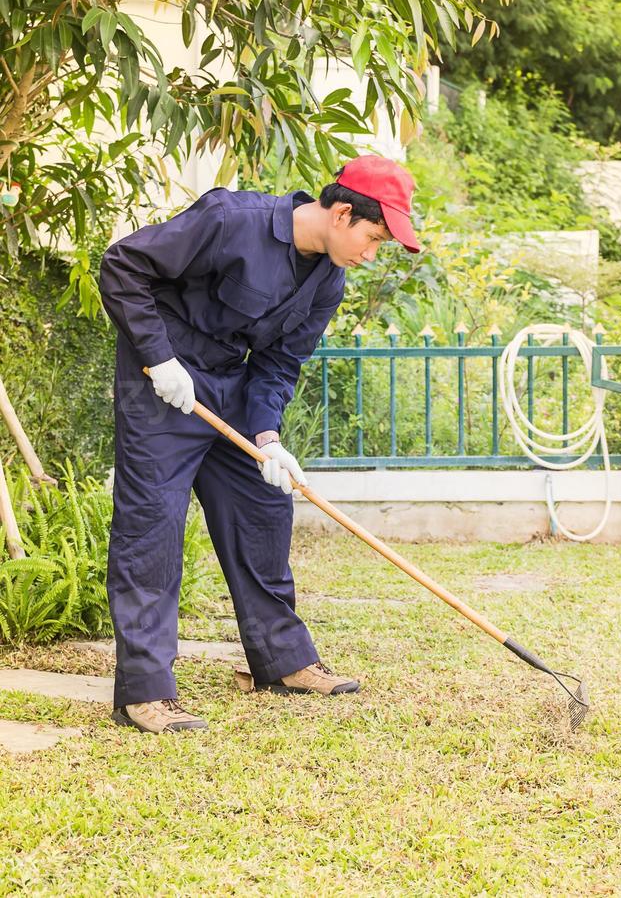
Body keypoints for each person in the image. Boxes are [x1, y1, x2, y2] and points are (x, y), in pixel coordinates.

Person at [98, 153, 421, 733]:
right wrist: (159, 357)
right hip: (163, 386)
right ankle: (143, 693)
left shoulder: (329, 280)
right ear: (342, 213)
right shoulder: (230, 219)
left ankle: (282, 661)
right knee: (153, 529)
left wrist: (268, 436)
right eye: (374, 238)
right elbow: (123, 266)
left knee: (263, 508)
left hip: (232, 388)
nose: (373, 254)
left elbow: (278, 362)